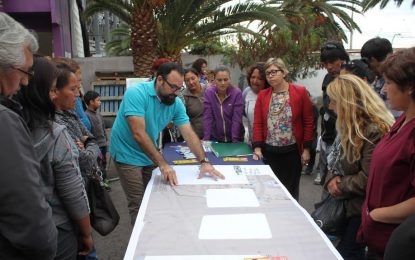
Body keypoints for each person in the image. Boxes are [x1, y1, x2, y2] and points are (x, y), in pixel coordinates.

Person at [109, 62, 224, 225]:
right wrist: (163, 164)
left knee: (155, 194)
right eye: (173, 87)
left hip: (148, 151)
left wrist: (204, 161)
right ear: (160, 80)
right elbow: (139, 134)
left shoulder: (175, 102)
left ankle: (156, 228)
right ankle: (142, 245)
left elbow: (189, 133)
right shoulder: (136, 93)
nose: (176, 93)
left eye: (179, 88)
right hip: (126, 153)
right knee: (139, 202)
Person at [17, 56, 93, 259]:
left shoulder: (13, 126)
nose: (77, 95)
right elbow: (72, 191)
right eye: (52, 89)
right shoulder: (56, 134)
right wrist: (86, 232)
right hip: (58, 229)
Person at [0, 12, 57, 259]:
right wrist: (47, 248)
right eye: (24, 72)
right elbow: (28, 213)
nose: (25, 82)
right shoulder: (4, 120)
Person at [324, 74, 394, 260]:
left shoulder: (374, 130)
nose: (331, 107)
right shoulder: (349, 126)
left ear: (347, 103)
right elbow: (334, 161)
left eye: (334, 101)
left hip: (360, 209)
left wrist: (340, 185)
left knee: (347, 253)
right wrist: (331, 178)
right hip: (347, 205)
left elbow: (370, 177)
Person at [357, 47, 415, 259]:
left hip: (397, 244)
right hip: (378, 238)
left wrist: (377, 215)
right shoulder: (401, 121)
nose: (383, 90)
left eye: (389, 83)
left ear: (409, 87)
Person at [252, 57, 313, 200]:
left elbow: (308, 122)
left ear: (284, 72)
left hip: (292, 152)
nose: (270, 76)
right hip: (269, 152)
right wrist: (257, 148)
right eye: (267, 73)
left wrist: (306, 149)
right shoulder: (263, 95)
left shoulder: (300, 92)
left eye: (274, 72)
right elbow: (258, 123)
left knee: (290, 193)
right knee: (270, 192)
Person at [314, 41, 350, 185]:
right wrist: (323, 109)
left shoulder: (351, 78)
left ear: (342, 59)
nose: (328, 66)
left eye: (332, 62)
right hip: (327, 133)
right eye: (325, 63)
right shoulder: (327, 78)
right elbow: (325, 102)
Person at [361, 37, 402, 118]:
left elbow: (392, 115)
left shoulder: (397, 79)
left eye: (368, 62)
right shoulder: (378, 79)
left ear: (372, 60)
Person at [203, 66, 245, 143]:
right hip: (216, 138)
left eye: (226, 80)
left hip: (236, 137)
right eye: (219, 80)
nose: (223, 83)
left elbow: (237, 118)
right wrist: (206, 139)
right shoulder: (209, 93)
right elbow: (208, 117)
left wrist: (234, 140)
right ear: (214, 80)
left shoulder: (237, 93)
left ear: (230, 79)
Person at [52, 57, 91, 131]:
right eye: (73, 88)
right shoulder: (55, 122)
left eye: (80, 81)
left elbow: (88, 136)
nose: (79, 86)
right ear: (55, 90)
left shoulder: (70, 109)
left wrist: (87, 140)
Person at [84, 90, 109, 183]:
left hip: (103, 145)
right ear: (91, 102)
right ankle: (100, 182)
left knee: (103, 163)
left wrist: (106, 139)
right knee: (98, 164)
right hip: (96, 146)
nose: (100, 102)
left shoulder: (99, 115)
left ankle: (105, 180)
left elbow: (103, 129)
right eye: (98, 100)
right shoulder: (86, 116)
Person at [242, 62, 269, 144]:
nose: (255, 81)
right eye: (253, 77)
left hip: (269, 143)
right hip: (253, 142)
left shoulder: (271, 93)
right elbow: (244, 113)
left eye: (260, 78)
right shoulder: (246, 92)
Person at [182, 67, 205, 139]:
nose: (191, 82)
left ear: (198, 77)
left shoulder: (208, 90)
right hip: (195, 137)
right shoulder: (183, 97)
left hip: (214, 135)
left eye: (193, 78)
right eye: (187, 80)